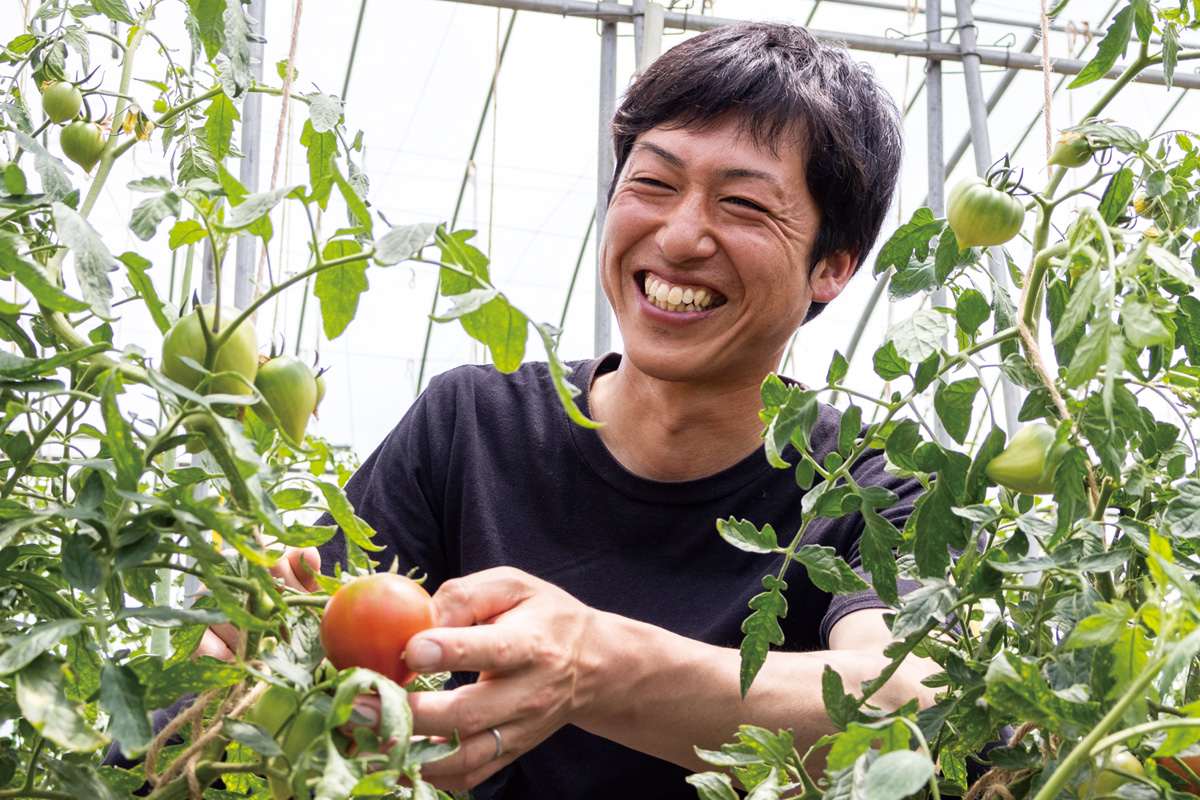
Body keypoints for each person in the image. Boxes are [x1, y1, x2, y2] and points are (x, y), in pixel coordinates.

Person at [201, 21, 935, 799]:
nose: (681, 236)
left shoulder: (869, 485)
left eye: (744, 204)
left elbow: (912, 705)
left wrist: (592, 667)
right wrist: (254, 655)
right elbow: (293, 662)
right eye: (652, 184)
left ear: (832, 266)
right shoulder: (469, 428)